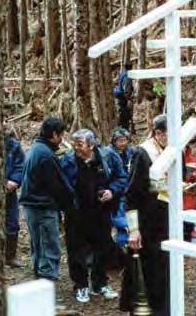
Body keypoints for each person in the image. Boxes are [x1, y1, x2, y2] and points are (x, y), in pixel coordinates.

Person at [60, 129, 128, 303]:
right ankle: (81, 286)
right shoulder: (67, 160)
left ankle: (100, 284)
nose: (76, 148)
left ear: (92, 145)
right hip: (76, 214)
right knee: (76, 251)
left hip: (101, 212)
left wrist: (111, 191)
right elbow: (61, 185)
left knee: (102, 248)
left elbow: (121, 178)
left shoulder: (108, 158)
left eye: (80, 144)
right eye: (74, 143)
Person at [120, 114, 170, 315]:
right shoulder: (143, 153)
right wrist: (134, 229)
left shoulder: (173, 151)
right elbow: (131, 194)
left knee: (165, 272)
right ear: (158, 134)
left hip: (167, 221)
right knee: (149, 272)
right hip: (147, 224)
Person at [20, 117, 75, 281]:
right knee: (48, 244)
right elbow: (57, 186)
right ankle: (47, 278)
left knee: (38, 244)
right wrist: (69, 204)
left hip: (32, 205)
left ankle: (41, 274)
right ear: (54, 134)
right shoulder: (46, 155)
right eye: (61, 135)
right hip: (42, 205)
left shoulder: (36, 149)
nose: (62, 139)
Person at [107, 127, 134, 247]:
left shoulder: (130, 152)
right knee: (119, 218)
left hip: (128, 190)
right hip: (116, 192)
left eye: (125, 140)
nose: (123, 143)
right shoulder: (109, 154)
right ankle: (121, 245)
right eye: (120, 141)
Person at [4, 129, 25, 268]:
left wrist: (15, 181)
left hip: (9, 194)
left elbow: (21, 165)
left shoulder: (12, 144)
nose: (4, 124)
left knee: (12, 224)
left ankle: (10, 257)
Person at [114, 61, 134, 132]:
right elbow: (126, 90)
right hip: (122, 98)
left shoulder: (122, 73)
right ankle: (124, 132)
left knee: (124, 115)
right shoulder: (127, 76)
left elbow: (117, 83)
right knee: (124, 116)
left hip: (120, 97)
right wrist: (128, 99)